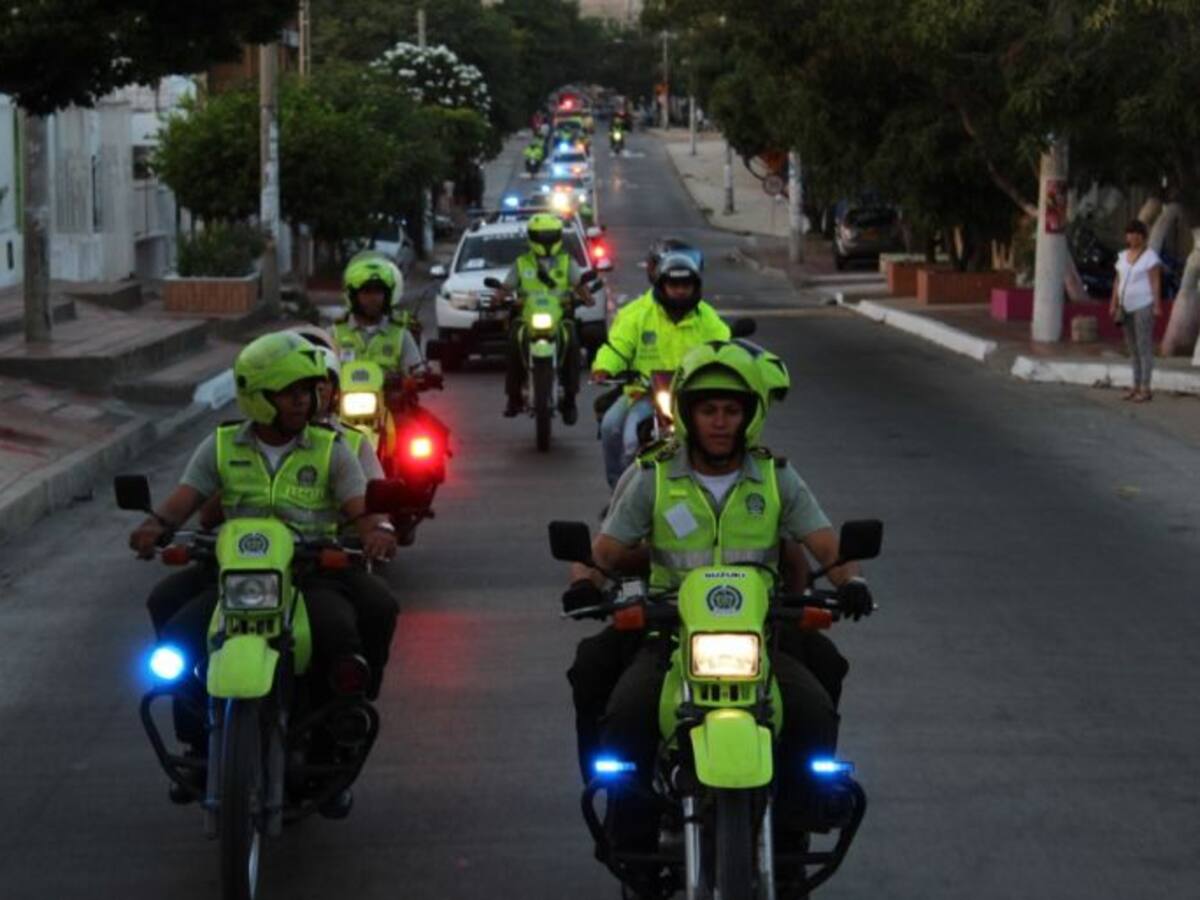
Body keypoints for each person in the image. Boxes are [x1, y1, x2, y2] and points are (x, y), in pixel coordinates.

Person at [565, 342, 874, 856]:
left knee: (814, 705)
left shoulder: (775, 477)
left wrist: (852, 583)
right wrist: (584, 583)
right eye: (708, 409)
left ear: (749, 415)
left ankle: (795, 826)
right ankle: (631, 827)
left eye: (731, 410)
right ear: (688, 414)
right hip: (669, 634)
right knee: (624, 712)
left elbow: (827, 545)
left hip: (761, 635)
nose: (720, 421)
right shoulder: (653, 475)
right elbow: (603, 553)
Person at [131, 332, 399, 812]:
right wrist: (154, 527)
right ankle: (196, 743)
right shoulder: (220, 445)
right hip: (233, 573)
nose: (303, 401)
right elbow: (183, 500)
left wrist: (377, 531)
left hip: (311, 570)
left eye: (308, 391)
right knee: (169, 613)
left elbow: (362, 508)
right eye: (289, 392)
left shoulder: (331, 448)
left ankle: (339, 734)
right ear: (258, 397)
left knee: (361, 617)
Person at [592, 249, 729, 487]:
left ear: (695, 286)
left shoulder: (708, 318)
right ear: (661, 285)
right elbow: (618, 347)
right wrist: (604, 367)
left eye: (686, 285)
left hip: (693, 395)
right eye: (674, 285)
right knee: (613, 428)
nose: (680, 290)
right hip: (643, 394)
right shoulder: (637, 314)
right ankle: (620, 494)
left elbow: (724, 347)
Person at [496, 214, 595, 421]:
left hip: (559, 317)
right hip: (527, 318)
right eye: (542, 236)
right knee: (514, 339)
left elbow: (579, 284)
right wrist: (498, 298)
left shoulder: (567, 262)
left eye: (550, 236)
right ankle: (513, 397)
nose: (546, 240)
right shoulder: (522, 263)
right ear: (532, 237)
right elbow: (507, 286)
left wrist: (587, 298)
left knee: (573, 341)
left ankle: (570, 399)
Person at [333, 253, 422, 375]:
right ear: (353, 296)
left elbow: (417, 372)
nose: (373, 298)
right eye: (366, 292)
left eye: (378, 291)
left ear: (387, 296)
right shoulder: (334, 334)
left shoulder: (401, 335)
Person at [1110, 219, 1165, 402]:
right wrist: (1113, 303)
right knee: (1132, 348)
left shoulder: (1150, 257)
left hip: (1143, 305)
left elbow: (1155, 282)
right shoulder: (1122, 256)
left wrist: (1157, 305)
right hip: (1125, 307)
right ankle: (1135, 386)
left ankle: (1145, 388)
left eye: (1135, 233)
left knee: (1144, 347)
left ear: (1142, 236)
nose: (1132, 236)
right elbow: (1117, 281)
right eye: (1129, 233)